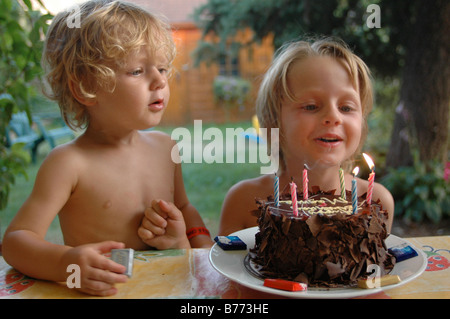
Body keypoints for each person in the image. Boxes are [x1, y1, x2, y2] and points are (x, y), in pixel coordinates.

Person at [2, 0, 212, 297]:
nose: (159, 81)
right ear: (85, 88)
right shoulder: (69, 163)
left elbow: (185, 209)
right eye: (138, 71)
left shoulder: (166, 147)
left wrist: (199, 247)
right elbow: (15, 240)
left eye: (162, 68)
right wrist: (66, 264)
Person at [219, 38, 394, 236]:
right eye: (311, 106)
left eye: (346, 108)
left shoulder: (375, 201)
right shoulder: (243, 201)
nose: (333, 117)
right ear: (274, 120)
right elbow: (226, 263)